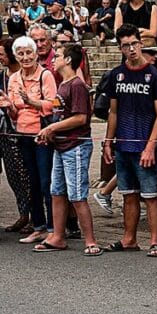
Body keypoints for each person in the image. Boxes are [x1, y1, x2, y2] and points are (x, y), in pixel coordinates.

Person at [101, 24, 157, 255]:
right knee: (128, 194)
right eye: (125, 45)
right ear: (120, 48)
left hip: (144, 145)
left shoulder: (154, 75)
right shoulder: (116, 75)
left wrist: (151, 147)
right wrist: (108, 142)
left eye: (134, 44)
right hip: (123, 145)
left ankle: (154, 241)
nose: (131, 49)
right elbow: (113, 112)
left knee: (151, 195)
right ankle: (129, 239)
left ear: (141, 43)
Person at [33, 43, 98, 254]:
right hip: (61, 145)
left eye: (58, 56)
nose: (53, 59)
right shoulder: (63, 85)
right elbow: (61, 114)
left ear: (68, 60)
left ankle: (90, 240)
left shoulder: (76, 85)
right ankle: (58, 236)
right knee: (57, 191)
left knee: (77, 194)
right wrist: (50, 134)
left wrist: (52, 127)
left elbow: (80, 118)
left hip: (75, 145)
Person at [1, 35, 56, 244]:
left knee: (45, 182)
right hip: (21, 135)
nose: (25, 57)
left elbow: (52, 105)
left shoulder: (45, 75)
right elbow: (15, 113)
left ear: (35, 54)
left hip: (42, 135)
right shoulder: (14, 78)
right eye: (20, 53)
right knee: (30, 183)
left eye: (28, 53)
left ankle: (53, 227)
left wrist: (31, 101)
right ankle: (38, 226)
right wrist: (10, 106)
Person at [0, 36, 34, 235]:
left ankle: (33, 215)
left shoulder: (24, 75)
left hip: (22, 130)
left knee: (25, 175)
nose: (1, 58)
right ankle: (23, 214)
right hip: (4, 131)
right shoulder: (3, 76)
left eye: (3, 54)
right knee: (12, 176)